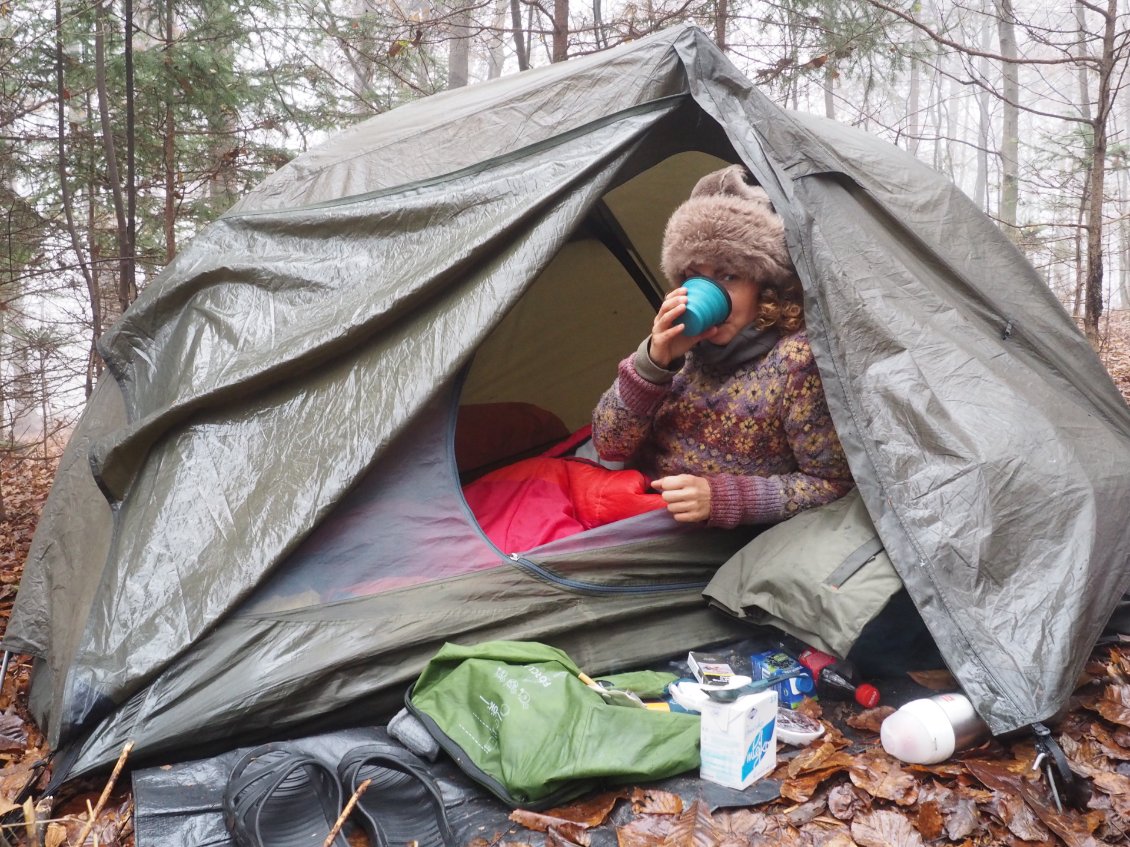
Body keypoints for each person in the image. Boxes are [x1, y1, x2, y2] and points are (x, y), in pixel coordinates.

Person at [592, 164, 854, 528]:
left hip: (702, 538)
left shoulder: (797, 361)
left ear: (765, 286)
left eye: (728, 276)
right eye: (692, 276)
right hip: (632, 506)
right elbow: (609, 445)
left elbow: (833, 485)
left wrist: (724, 499)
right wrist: (651, 364)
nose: (707, 292)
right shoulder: (681, 346)